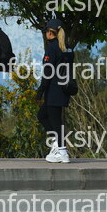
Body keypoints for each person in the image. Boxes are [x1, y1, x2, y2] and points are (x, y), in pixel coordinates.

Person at [36, 19, 73, 163]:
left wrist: (41, 90)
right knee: (42, 115)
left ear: (51, 33)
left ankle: (62, 152)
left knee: (55, 121)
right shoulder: (68, 48)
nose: (45, 33)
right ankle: (57, 144)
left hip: (54, 89)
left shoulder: (52, 48)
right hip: (65, 88)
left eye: (46, 31)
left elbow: (48, 71)